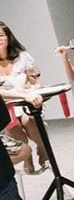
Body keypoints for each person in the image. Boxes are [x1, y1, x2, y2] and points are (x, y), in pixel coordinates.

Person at [0, 20, 48, 172]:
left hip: (28, 100)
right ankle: (27, 155)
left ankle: (43, 150)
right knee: (12, 125)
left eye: (0, 35)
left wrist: (33, 91)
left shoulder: (22, 57)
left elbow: (35, 80)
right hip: (7, 105)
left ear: (8, 37)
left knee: (31, 119)